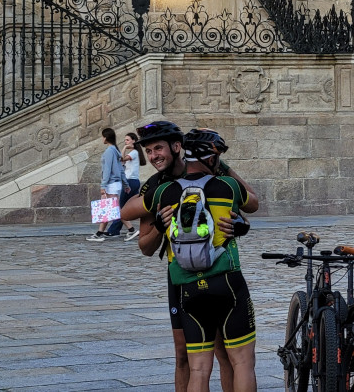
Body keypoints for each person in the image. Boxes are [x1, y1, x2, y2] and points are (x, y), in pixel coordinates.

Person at [121, 121, 242, 392]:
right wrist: (161, 229)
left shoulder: (207, 172)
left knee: (224, 353)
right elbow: (145, 247)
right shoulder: (156, 186)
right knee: (183, 355)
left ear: (177, 147)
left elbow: (246, 204)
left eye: (158, 149)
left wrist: (222, 165)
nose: (153, 156)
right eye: (149, 151)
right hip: (180, 279)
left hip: (218, 269)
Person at [88, 127, 132, 242]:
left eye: (103, 136)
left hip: (110, 184)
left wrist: (103, 185)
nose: (102, 139)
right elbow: (121, 169)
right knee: (107, 209)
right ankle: (99, 233)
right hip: (115, 184)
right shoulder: (115, 151)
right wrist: (126, 184)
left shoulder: (109, 151)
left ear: (106, 138)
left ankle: (131, 229)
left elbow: (107, 170)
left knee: (114, 209)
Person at [106, 132, 146, 240]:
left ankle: (129, 229)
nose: (126, 142)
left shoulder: (134, 152)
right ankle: (114, 230)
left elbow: (121, 159)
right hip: (132, 182)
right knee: (126, 206)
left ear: (133, 140)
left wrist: (124, 148)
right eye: (125, 140)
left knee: (120, 207)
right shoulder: (134, 153)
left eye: (127, 140)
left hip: (130, 182)